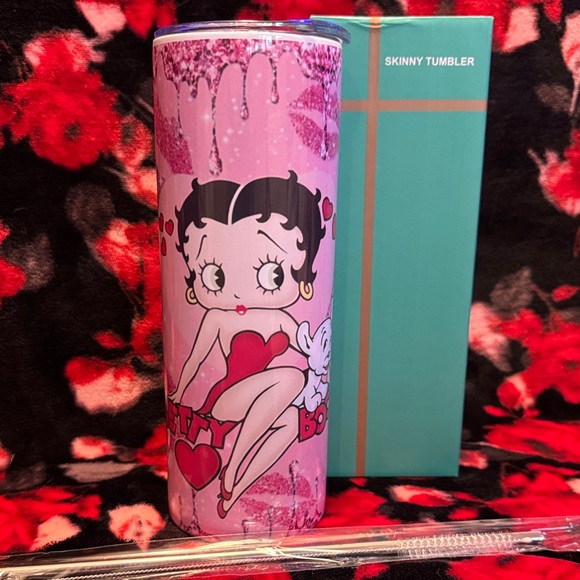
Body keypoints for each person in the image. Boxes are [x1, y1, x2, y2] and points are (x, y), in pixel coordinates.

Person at [171, 171, 331, 518]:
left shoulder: (281, 319)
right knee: (292, 377)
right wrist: (179, 394)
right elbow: (196, 359)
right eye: (214, 274)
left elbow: (309, 350)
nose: (240, 292)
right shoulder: (218, 317)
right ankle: (232, 467)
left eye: (272, 272)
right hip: (224, 401)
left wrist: (319, 364)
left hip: (263, 403)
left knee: (291, 422)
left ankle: (233, 491)